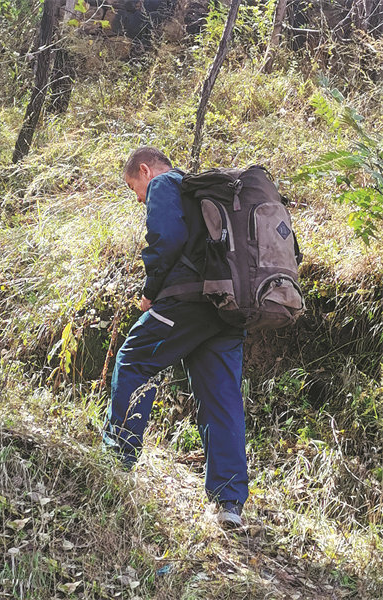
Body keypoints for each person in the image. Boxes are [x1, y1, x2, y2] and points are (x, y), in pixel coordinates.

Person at [103, 146, 248, 528]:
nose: (138, 198)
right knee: (222, 398)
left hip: (187, 302)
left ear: (145, 170)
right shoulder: (205, 196)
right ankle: (229, 503)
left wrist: (150, 292)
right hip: (229, 308)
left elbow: (165, 239)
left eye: (134, 188)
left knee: (134, 361)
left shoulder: (167, 183)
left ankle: (115, 463)